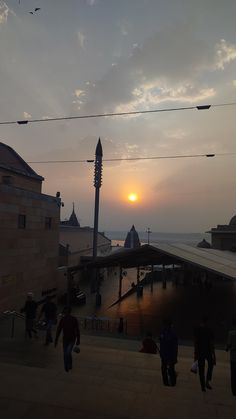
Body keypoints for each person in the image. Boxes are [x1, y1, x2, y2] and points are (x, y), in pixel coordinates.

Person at [55, 306, 80, 372]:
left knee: (67, 352)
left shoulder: (73, 319)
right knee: (65, 353)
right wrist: (56, 339)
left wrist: (78, 339)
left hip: (71, 339)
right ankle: (66, 365)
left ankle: (68, 364)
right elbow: (59, 329)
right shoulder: (63, 320)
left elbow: (77, 329)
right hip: (66, 339)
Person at [194, 315, 215, 392]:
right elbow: (211, 343)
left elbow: (196, 342)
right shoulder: (209, 330)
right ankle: (207, 381)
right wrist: (213, 354)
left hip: (200, 352)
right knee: (210, 366)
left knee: (201, 369)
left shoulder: (198, 330)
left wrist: (195, 354)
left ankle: (202, 385)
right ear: (207, 322)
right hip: (208, 351)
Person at [159, 319, 178, 386]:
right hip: (168, 355)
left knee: (166, 369)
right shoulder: (172, 333)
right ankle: (170, 383)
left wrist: (161, 353)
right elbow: (175, 347)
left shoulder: (164, 332)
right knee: (168, 369)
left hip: (166, 355)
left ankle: (168, 382)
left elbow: (162, 343)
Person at [226, 317, 236, 396]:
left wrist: (227, 348)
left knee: (233, 374)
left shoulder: (231, 333)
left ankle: (234, 390)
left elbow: (229, 345)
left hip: (233, 357)